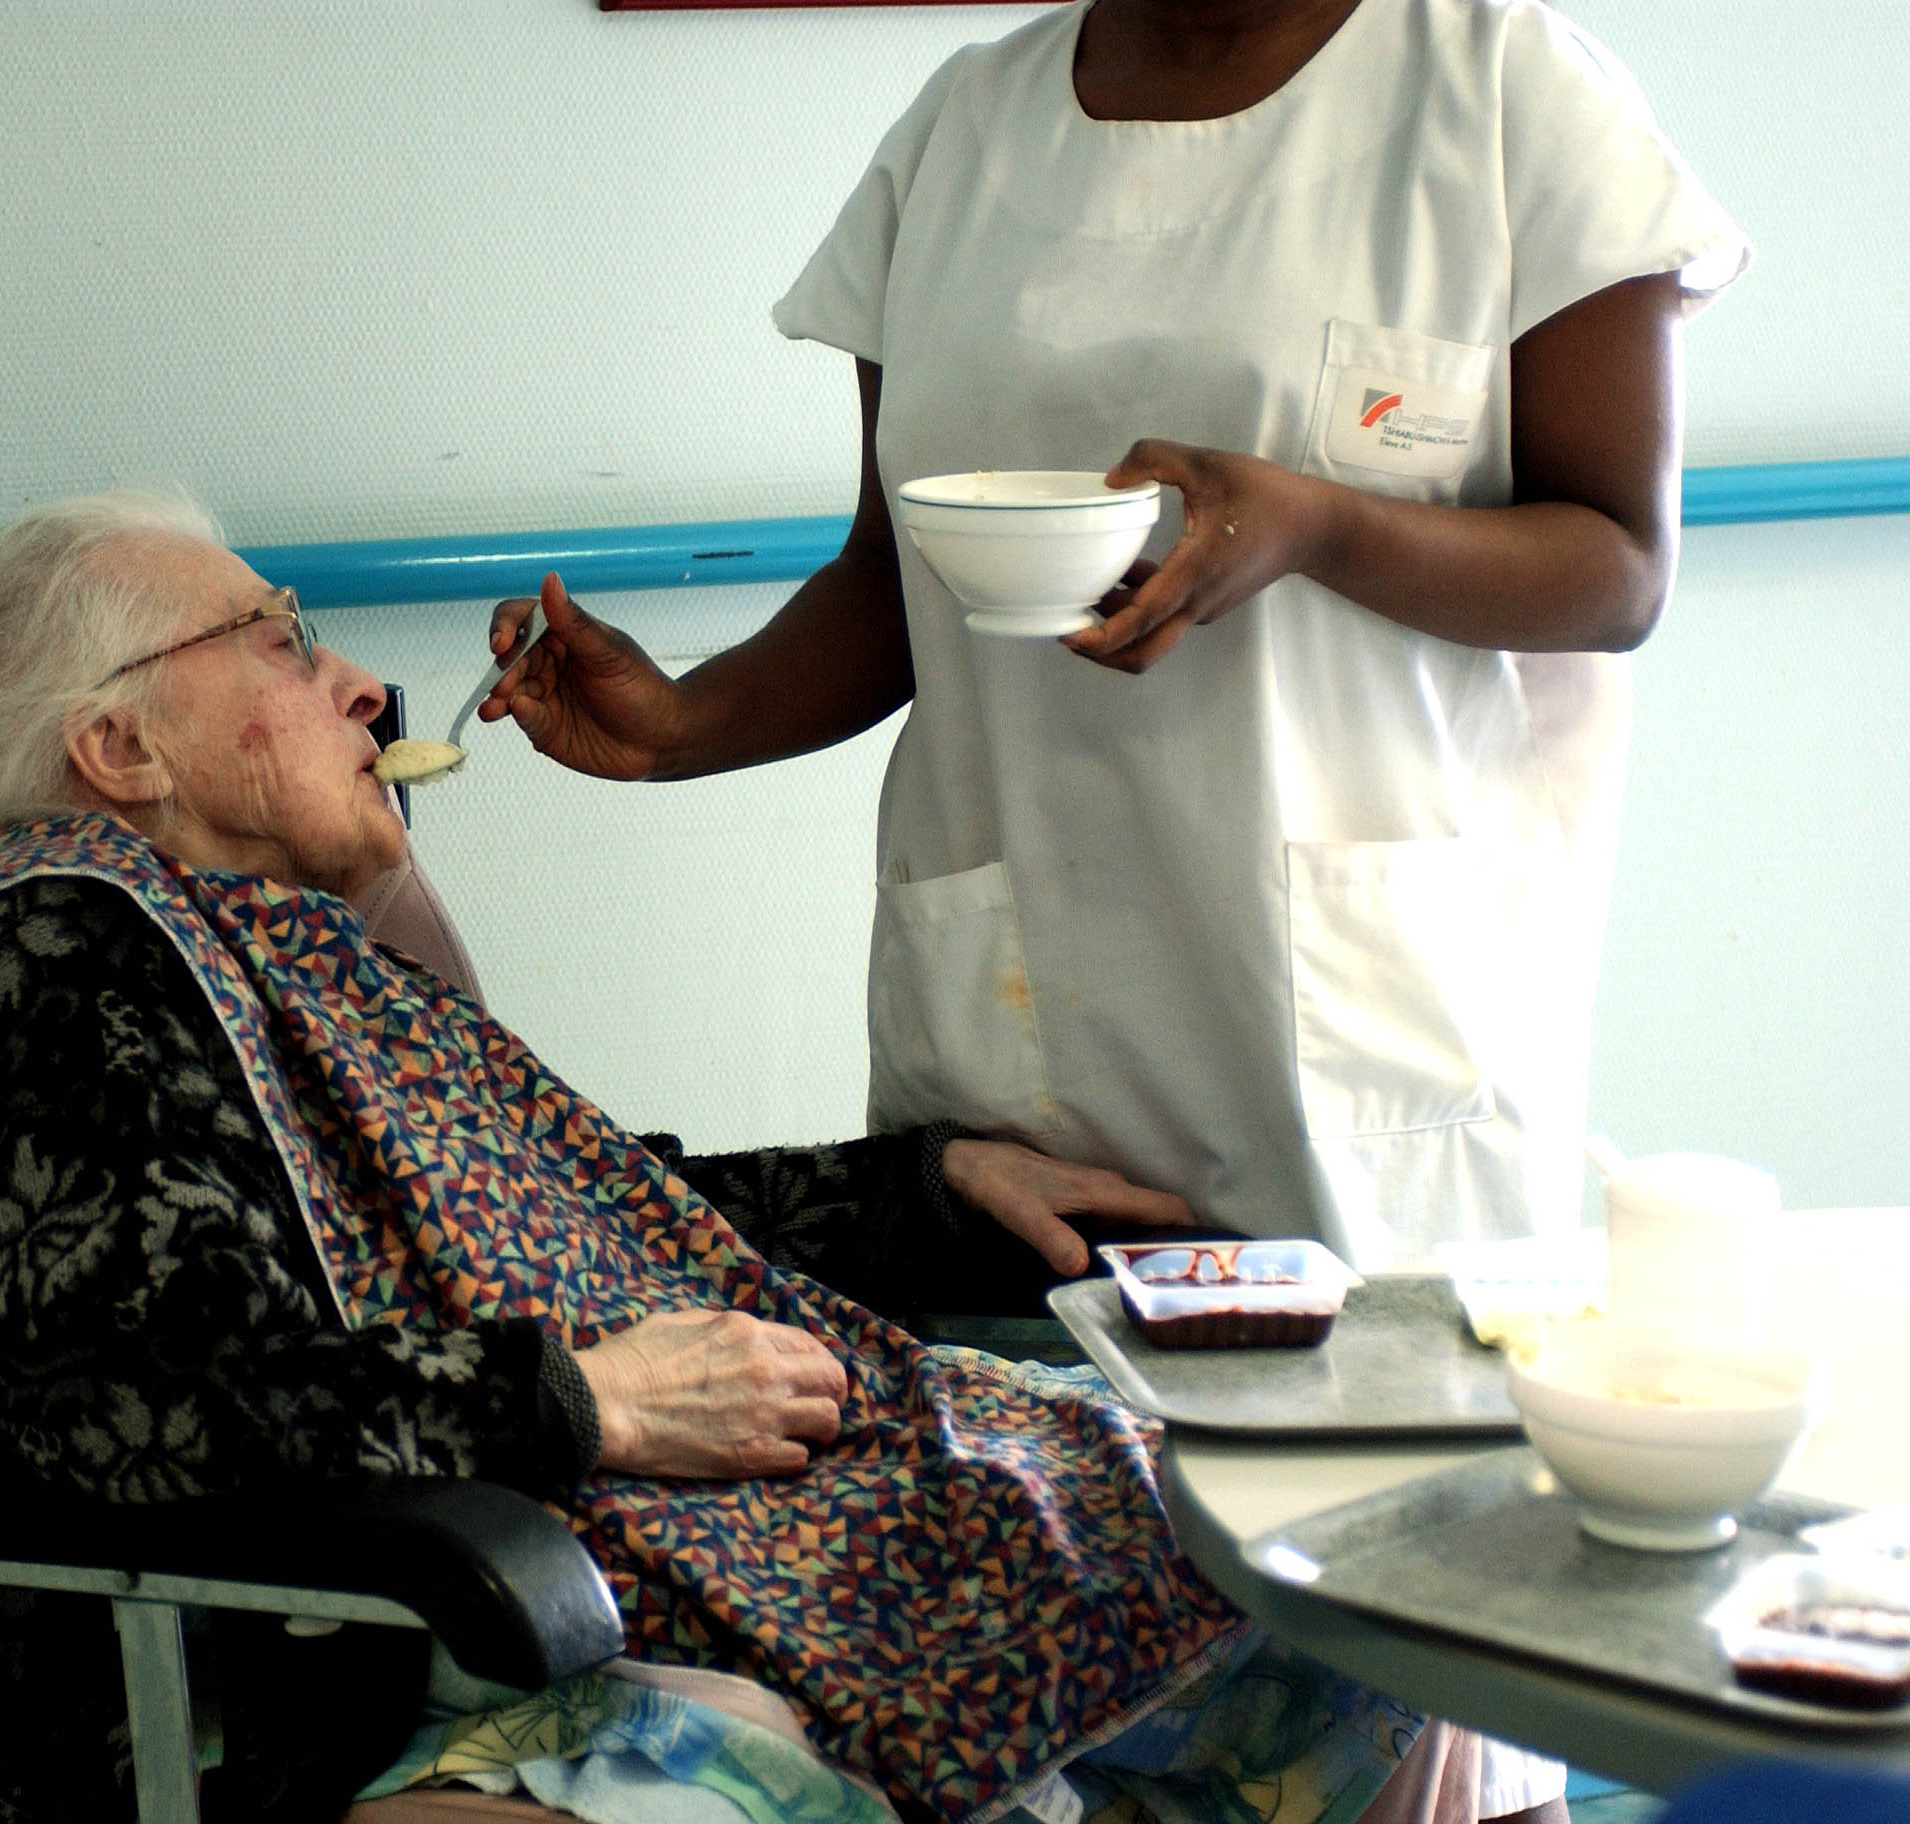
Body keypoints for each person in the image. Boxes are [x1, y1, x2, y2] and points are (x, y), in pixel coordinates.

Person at [0, 490, 1482, 1824]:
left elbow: (583, 1213)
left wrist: (926, 1188)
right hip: (287, 1674)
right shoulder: (30, 955)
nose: (361, 686)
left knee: (1314, 1583)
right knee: (1188, 1567)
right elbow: (140, 1389)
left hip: (492, 1578)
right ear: (119, 749)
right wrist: (587, 1403)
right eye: (284, 640)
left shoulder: (268, 948)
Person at [477, 0, 1747, 1299]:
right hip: (1020, 1026)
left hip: (1359, 1032)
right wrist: (682, 722)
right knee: (1008, 1406)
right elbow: (894, 577)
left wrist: (1317, 526)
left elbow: (1617, 564)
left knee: (1372, 1410)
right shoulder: (963, 130)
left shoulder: (1506, 92)